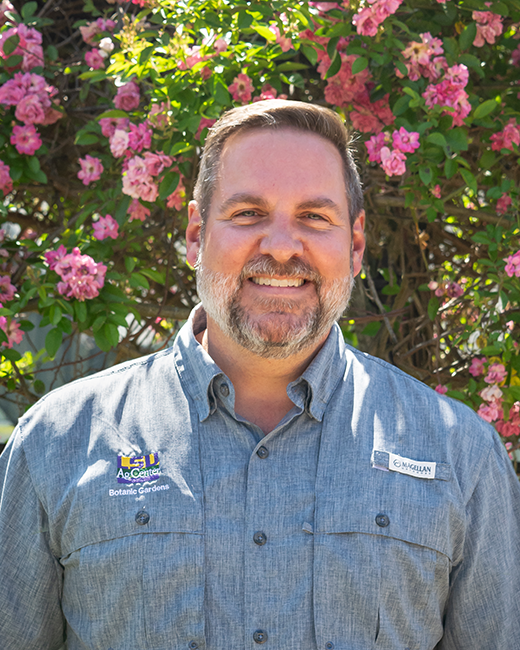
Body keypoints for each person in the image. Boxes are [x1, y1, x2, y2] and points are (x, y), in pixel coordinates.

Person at [1, 99, 519, 650]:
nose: (281, 247)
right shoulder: (57, 442)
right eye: (248, 213)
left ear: (355, 244)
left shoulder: (460, 454)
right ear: (196, 236)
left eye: (314, 217)